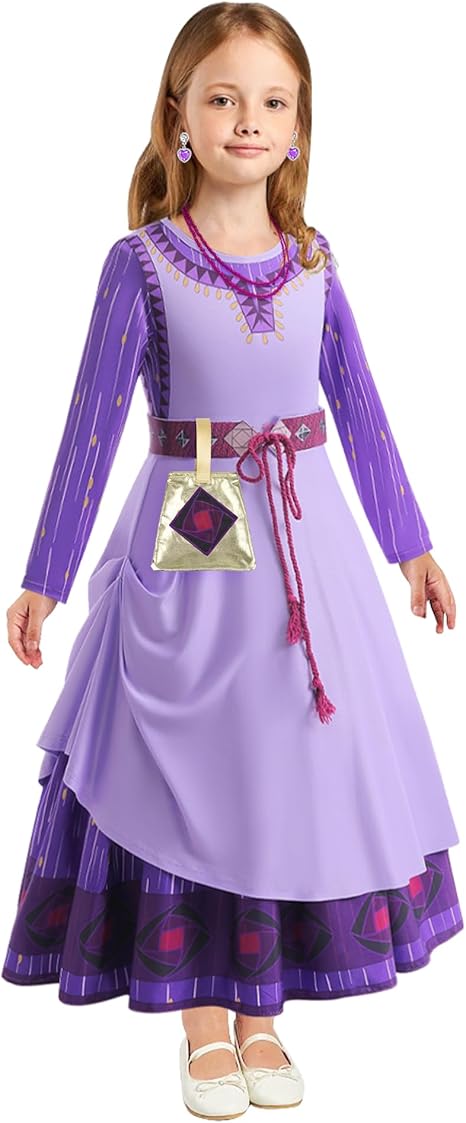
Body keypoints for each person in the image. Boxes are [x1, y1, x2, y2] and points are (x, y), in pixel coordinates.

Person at [3, 3, 463, 1119]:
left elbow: (359, 407)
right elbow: (90, 425)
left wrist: (411, 545)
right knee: (198, 752)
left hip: (308, 532)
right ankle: (204, 1018)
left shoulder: (314, 261)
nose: (247, 119)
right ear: (179, 117)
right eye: (222, 97)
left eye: (272, 100)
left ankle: (264, 1012)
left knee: (284, 757)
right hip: (197, 515)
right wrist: (45, 578)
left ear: (299, 126)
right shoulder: (142, 264)